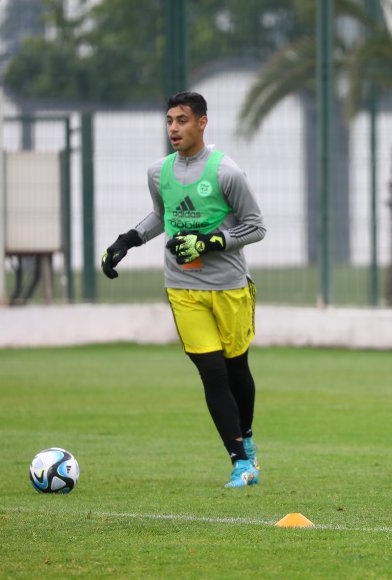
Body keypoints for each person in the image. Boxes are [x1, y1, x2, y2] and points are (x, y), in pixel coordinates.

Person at [101, 91, 266, 488]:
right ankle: (240, 462)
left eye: (182, 120)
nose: (174, 128)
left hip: (228, 287)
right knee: (211, 372)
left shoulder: (227, 172)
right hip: (182, 286)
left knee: (235, 369)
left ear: (202, 123)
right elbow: (163, 215)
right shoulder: (159, 172)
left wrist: (209, 242)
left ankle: (247, 437)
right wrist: (128, 240)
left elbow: (256, 226)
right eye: (170, 120)